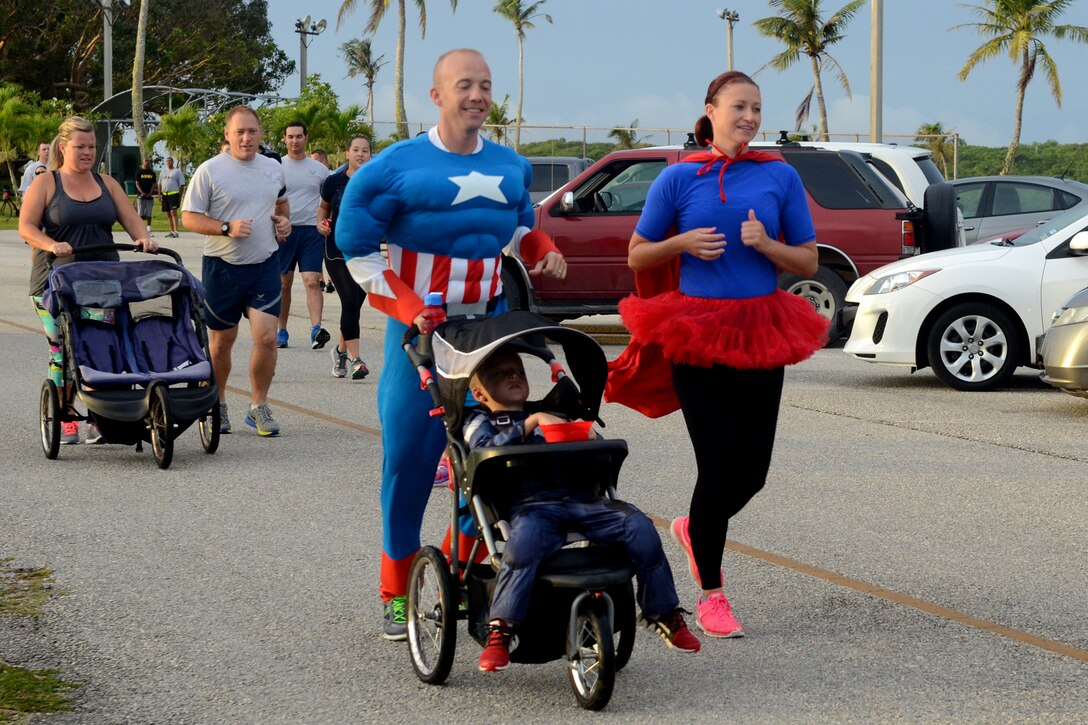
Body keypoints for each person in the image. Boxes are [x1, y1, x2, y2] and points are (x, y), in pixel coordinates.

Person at [335, 48, 567, 641]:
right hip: (419, 336)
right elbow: (358, 254)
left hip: (487, 334)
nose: (477, 95)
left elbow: (519, 224)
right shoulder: (391, 168)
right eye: (464, 85)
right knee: (409, 461)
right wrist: (411, 308)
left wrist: (541, 249)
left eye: (485, 86)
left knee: (493, 458)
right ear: (436, 96)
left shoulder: (511, 164)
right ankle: (395, 589)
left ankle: (453, 569)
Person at [606, 71, 828, 638]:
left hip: (761, 331)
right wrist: (681, 243)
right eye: (739, 107)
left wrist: (767, 245)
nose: (750, 117)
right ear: (711, 110)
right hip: (695, 335)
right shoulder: (678, 179)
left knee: (751, 473)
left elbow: (806, 262)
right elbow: (637, 256)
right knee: (717, 466)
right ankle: (711, 593)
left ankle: (693, 530)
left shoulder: (779, 175)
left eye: (757, 108)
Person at [464, 347, 701, 672]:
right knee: (523, 545)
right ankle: (502, 630)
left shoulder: (554, 413)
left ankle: (663, 613)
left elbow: (593, 454)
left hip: (581, 500)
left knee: (639, 526)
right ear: (479, 392)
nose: (514, 376)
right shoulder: (480, 420)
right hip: (532, 507)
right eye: (502, 374)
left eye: (518, 370)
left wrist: (584, 434)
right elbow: (481, 452)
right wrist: (531, 424)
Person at [18, 116, 158, 444]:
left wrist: (144, 238)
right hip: (54, 283)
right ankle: (64, 414)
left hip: (102, 282)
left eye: (92, 146)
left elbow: (132, 220)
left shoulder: (106, 184)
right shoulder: (47, 182)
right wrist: (51, 244)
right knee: (63, 350)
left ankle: (101, 415)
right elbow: (26, 226)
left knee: (102, 347)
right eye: (80, 146)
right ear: (63, 147)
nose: (87, 152)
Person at [181, 105, 292, 437]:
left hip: (265, 264)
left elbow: (281, 203)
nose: (246, 138)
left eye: (252, 131)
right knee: (222, 341)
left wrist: (283, 222)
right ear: (227, 135)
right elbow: (190, 217)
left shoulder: (273, 168)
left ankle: (259, 405)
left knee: (267, 337)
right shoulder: (210, 170)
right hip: (222, 268)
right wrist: (225, 227)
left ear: (261, 134)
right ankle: (218, 402)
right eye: (239, 132)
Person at [316, 134, 371, 380]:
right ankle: (356, 359)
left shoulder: (376, 182)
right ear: (347, 153)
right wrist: (320, 224)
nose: (360, 154)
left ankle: (339, 351)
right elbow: (323, 209)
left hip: (365, 250)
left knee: (355, 304)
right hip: (336, 249)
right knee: (349, 302)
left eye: (365, 151)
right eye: (356, 150)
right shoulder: (333, 182)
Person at [275, 121, 330, 350]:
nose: (295, 141)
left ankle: (316, 329)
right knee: (283, 284)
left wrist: (326, 223)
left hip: (311, 232)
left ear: (306, 138)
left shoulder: (318, 169)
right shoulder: (276, 167)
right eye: (290, 137)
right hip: (284, 231)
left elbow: (328, 203)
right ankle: (281, 330)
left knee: (311, 281)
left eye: (299, 136)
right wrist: (276, 226)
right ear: (284, 139)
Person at [158, 156, 185, 238]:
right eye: (167, 161)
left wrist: (179, 195)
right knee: (168, 213)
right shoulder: (163, 172)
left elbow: (182, 184)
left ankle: (176, 231)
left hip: (173, 194)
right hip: (165, 195)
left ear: (172, 162)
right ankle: (171, 231)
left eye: (170, 161)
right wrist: (160, 195)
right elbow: (159, 184)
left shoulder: (177, 172)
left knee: (173, 213)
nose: (168, 163)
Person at [134, 157, 156, 237]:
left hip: (149, 196)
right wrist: (142, 192)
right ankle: (140, 230)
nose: (147, 162)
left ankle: (149, 230)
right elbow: (137, 183)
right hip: (141, 196)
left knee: (149, 213)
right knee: (140, 214)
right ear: (143, 162)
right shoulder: (139, 171)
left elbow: (153, 184)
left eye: (148, 161)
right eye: (145, 161)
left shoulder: (152, 172)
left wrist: (150, 193)